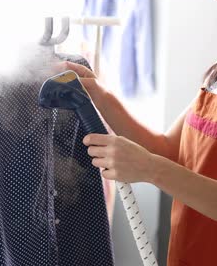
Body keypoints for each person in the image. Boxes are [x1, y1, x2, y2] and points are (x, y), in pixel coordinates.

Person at [65, 25, 217, 264]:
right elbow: (167, 150)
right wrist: (100, 96)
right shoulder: (214, 80)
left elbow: (157, 162)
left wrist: (150, 168)